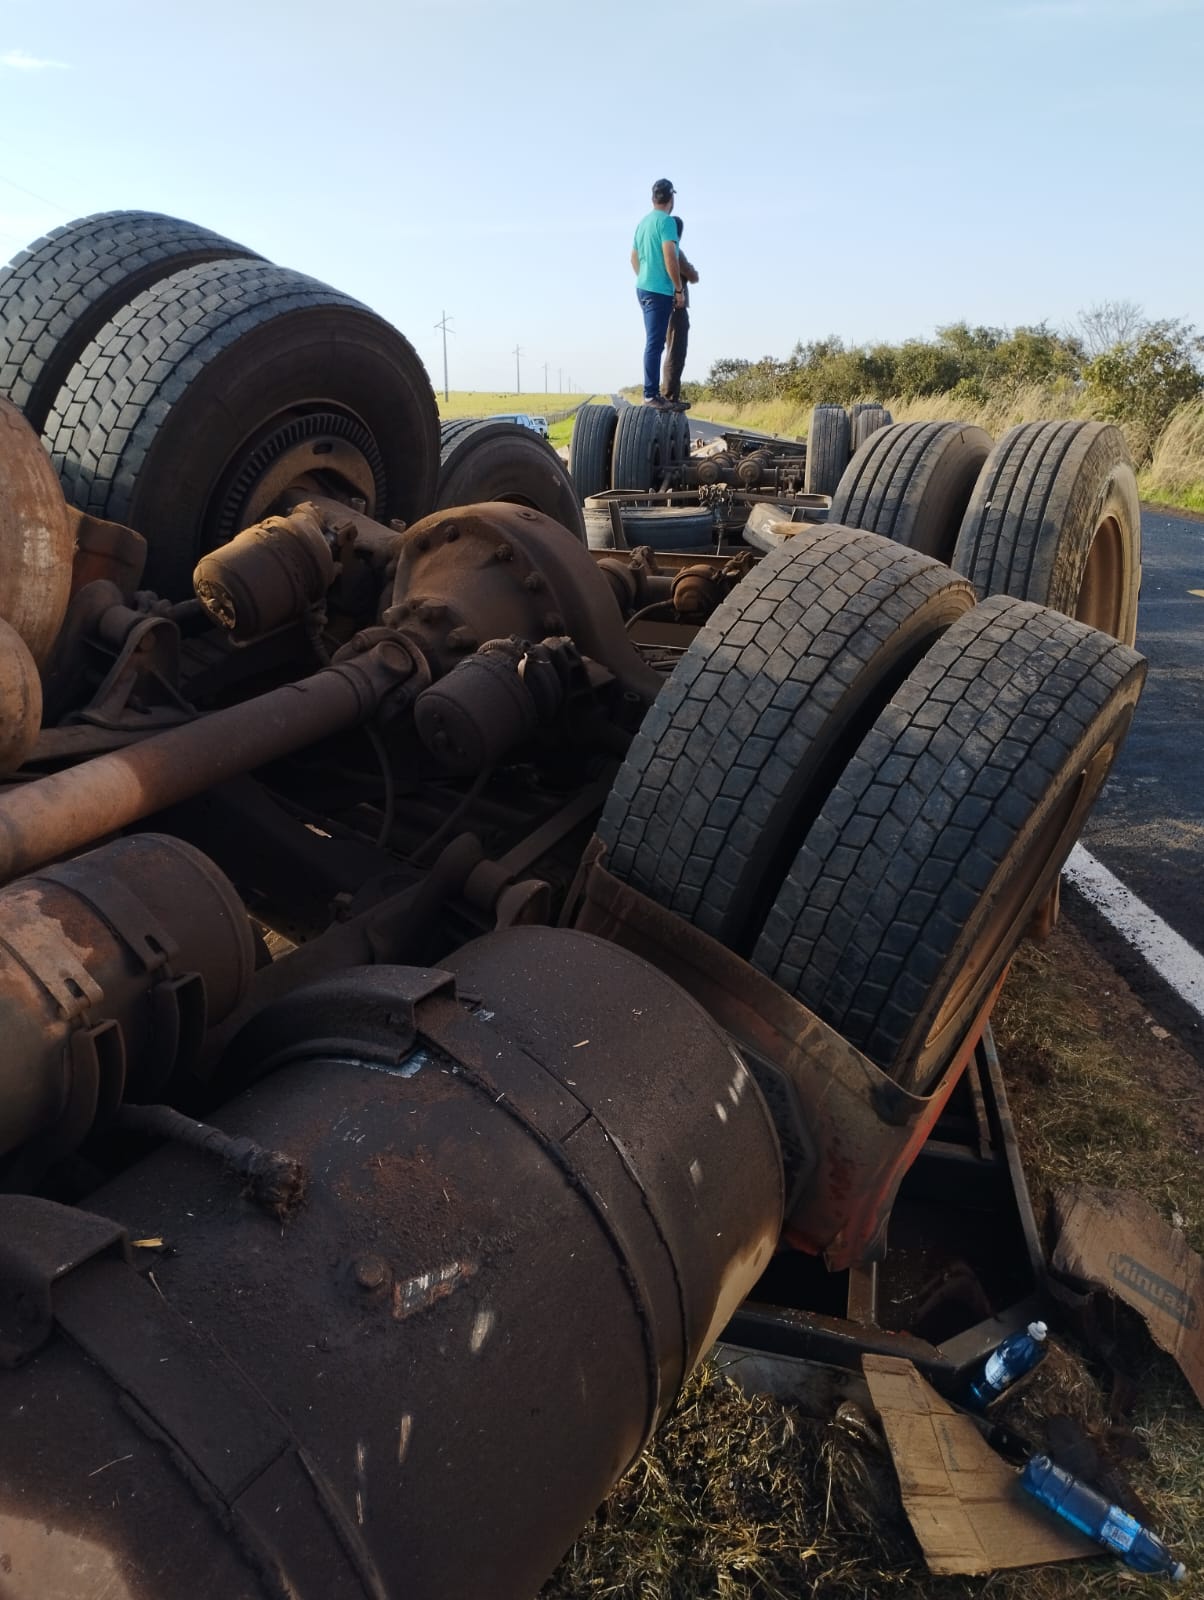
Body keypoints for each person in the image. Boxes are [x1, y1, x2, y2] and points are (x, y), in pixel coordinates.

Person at [630, 178, 690, 412]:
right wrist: (677, 288)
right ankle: (651, 395)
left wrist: (644, 275)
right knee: (655, 343)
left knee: (654, 342)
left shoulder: (643, 223)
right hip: (659, 290)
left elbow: (633, 258)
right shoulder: (666, 222)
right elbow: (669, 256)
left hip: (643, 287)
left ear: (653, 198)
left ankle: (652, 393)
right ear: (671, 199)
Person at [661, 215, 698, 405]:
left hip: (664, 305)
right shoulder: (675, 251)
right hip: (677, 306)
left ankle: (668, 393)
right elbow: (692, 274)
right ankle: (669, 395)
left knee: (669, 349)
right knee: (676, 351)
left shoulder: (661, 250)